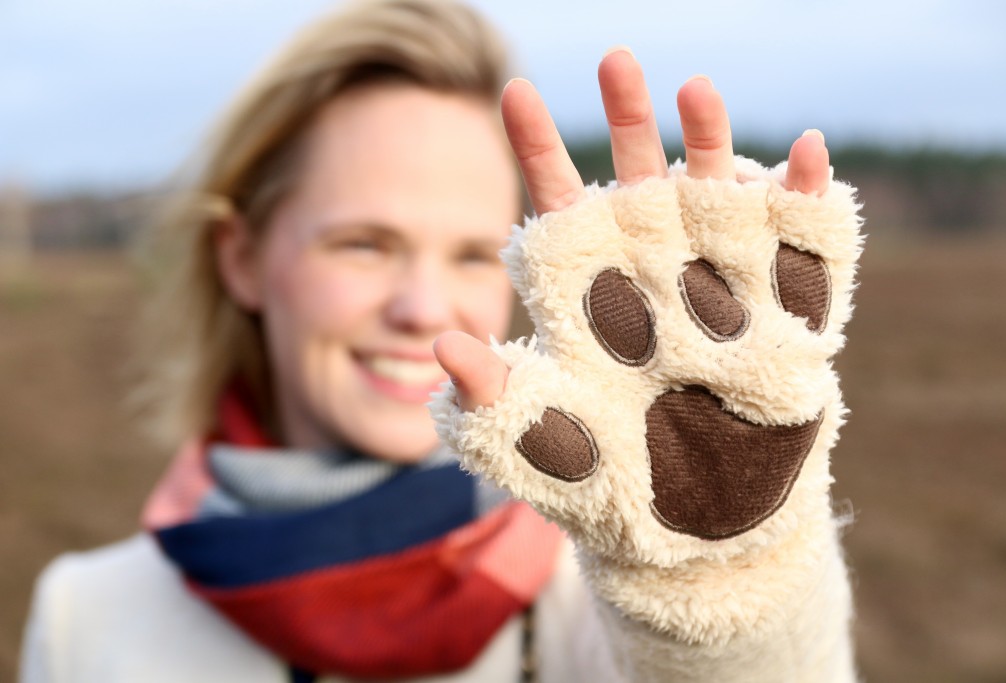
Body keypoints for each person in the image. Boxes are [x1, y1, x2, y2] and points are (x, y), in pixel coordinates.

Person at [20, 0, 862, 681]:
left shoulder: (603, 576)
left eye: (472, 253)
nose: (424, 307)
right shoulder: (89, 619)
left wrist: (715, 577)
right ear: (241, 259)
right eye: (363, 244)